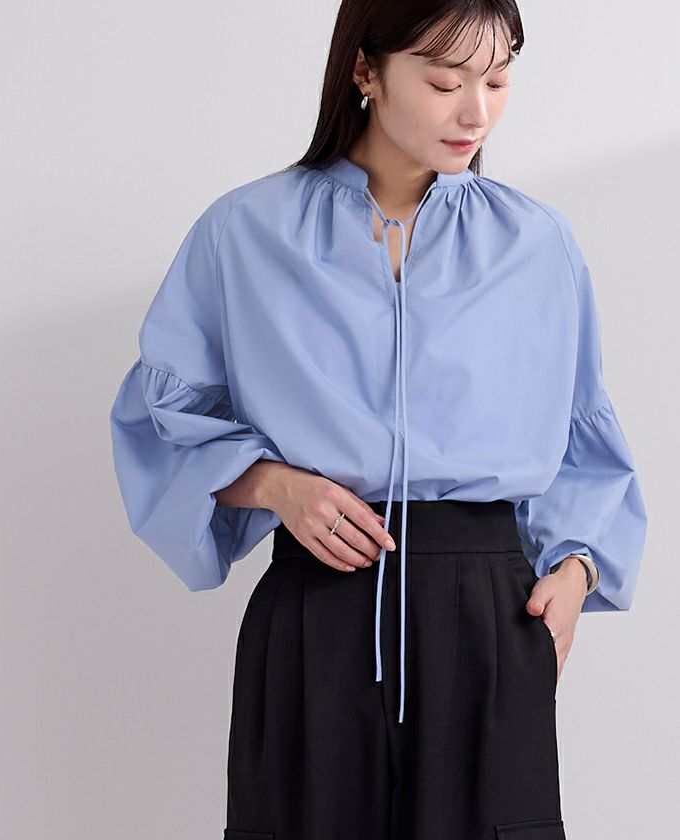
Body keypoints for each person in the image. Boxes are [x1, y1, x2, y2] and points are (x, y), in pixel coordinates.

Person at [109, 2, 648, 838]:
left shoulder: (536, 245)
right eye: (445, 82)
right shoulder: (245, 233)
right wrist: (272, 484)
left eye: (497, 81)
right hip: (317, 613)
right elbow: (158, 416)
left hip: (491, 620)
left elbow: (585, 441)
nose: (476, 112)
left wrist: (575, 574)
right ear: (366, 71)